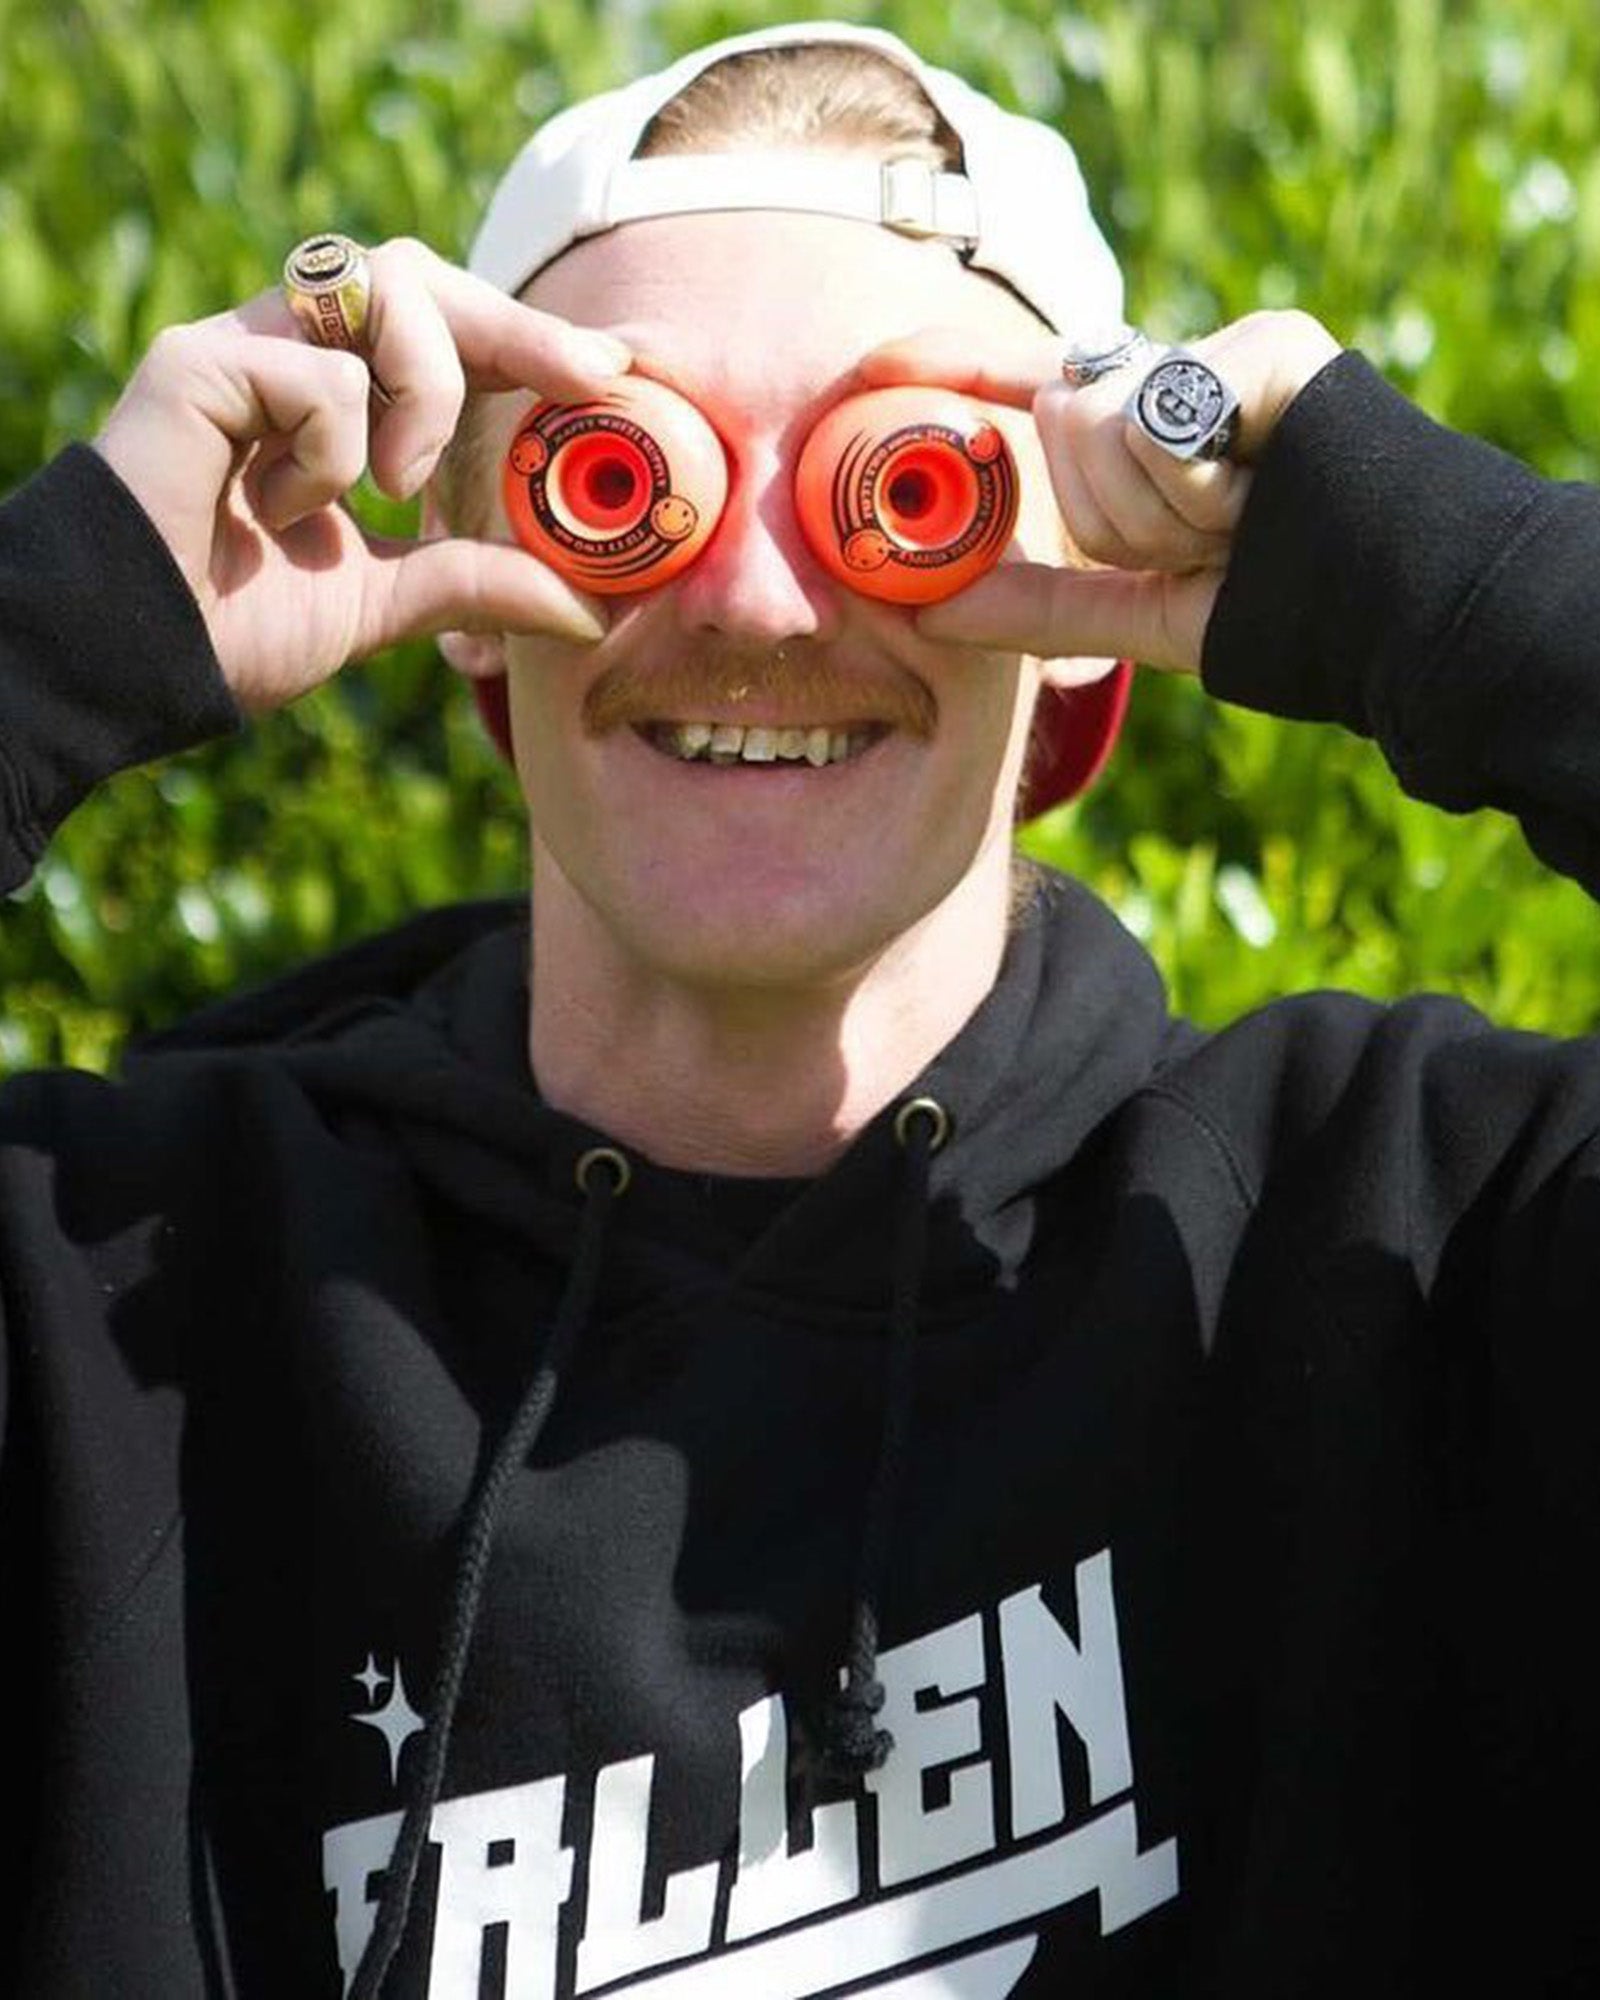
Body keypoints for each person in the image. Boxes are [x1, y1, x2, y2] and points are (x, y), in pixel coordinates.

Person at [1, 18, 1596, 1998]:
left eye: (899, 485)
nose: (755, 603)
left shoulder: (1409, 1248)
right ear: (476, 615)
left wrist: (1424, 575)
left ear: (1081, 650)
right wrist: (68, 617)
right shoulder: (110, 1305)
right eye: (621, 475)